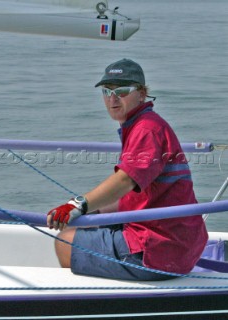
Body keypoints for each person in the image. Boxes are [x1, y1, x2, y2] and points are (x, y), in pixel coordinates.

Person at [47, 58, 208, 281]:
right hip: (180, 243)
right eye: (107, 91)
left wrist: (78, 204)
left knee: (65, 242)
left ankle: (85, 306)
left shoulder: (146, 129)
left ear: (142, 94)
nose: (112, 98)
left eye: (122, 91)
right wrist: (93, 211)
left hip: (159, 249)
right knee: (86, 225)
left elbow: (125, 181)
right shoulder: (141, 124)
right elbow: (134, 194)